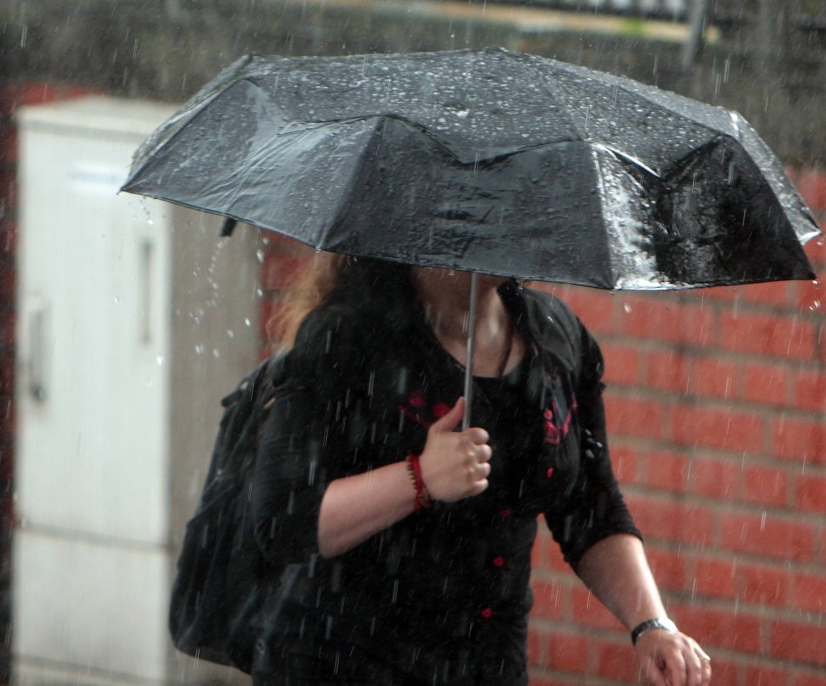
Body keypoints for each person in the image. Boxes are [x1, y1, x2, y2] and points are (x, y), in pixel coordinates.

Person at [249, 253, 712, 685]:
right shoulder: (349, 338)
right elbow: (283, 519)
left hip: (488, 664)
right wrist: (420, 479)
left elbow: (590, 506)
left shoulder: (555, 338)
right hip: (342, 659)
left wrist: (651, 624)